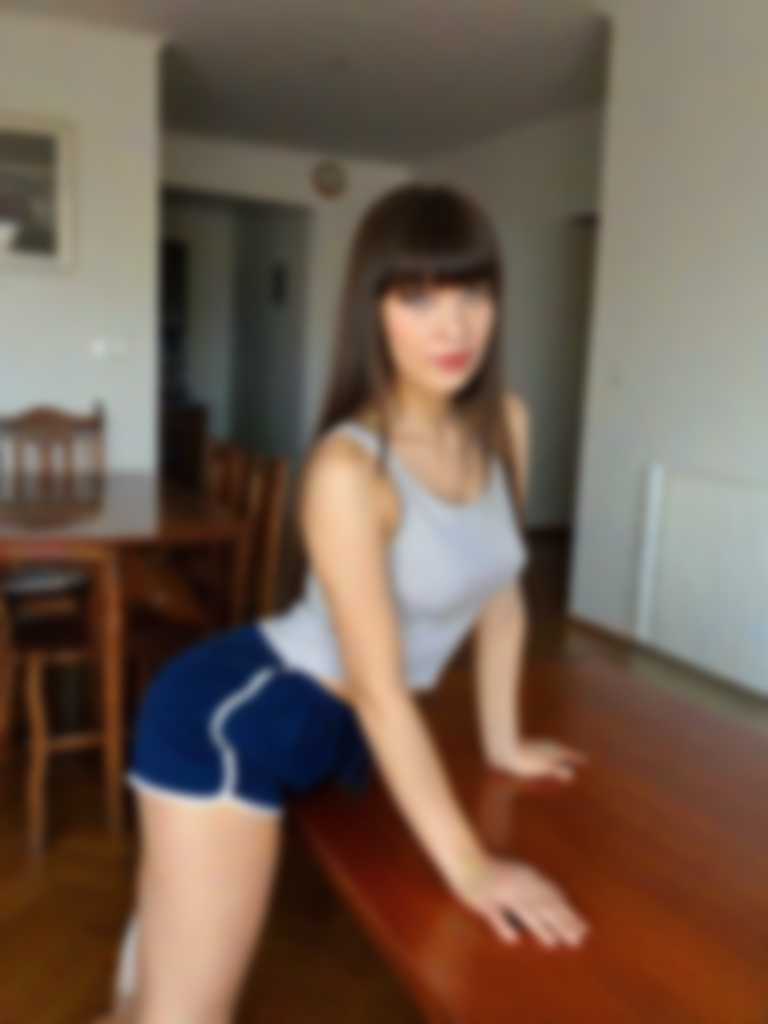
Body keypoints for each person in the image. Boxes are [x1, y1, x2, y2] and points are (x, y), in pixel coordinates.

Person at [96, 183, 589, 1024]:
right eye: (418, 298)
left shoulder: (506, 423)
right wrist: (471, 869)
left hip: (336, 728)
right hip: (238, 719)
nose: (454, 326)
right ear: (373, 309)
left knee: (154, 999)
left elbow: (502, 597)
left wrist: (505, 744)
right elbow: (380, 689)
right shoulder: (349, 468)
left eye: (472, 293)